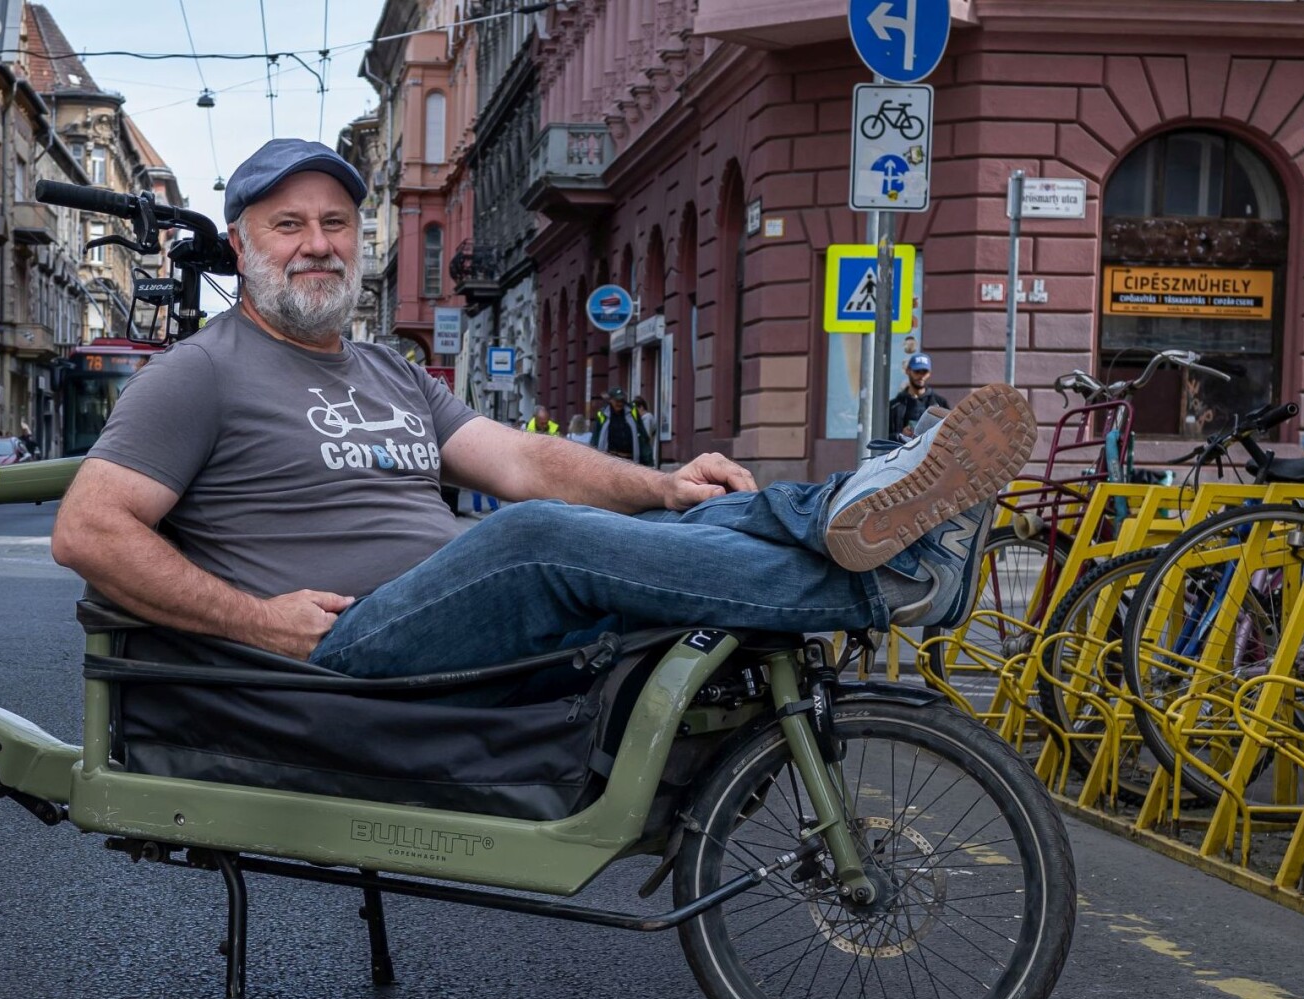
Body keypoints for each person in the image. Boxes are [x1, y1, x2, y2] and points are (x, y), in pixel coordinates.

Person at [51, 138, 1039, 679]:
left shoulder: (389, 371)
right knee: (527, 537)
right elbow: (88, 531)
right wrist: (256, 621)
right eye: (287, 225)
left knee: (686, 505)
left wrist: (662, 483)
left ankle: (852, 518)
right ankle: (888, 581)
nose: (316, 243)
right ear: (241, 243)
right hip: (352, 643)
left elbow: (523, 460)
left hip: (459, 613)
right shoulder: (201, 371)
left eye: (335, 224)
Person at [887, 353, 950, 439]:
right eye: (917, 371)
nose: (921, 376)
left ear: (930, 373)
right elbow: (883, 436)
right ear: (908, 371)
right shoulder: (894, 405)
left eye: (924, 372)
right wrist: (901, 435)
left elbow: (949, 434)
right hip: (902, 450)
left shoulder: (940, 403)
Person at [592, 388, 653, 465]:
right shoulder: (602, 414)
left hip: (630, 460)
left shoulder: (632, 411)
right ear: (610, 400)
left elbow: (642, 435)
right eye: (617, 401)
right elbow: (596, 437)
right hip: (610, 460)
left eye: (622, 400)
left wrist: (648, 461)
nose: (620, 403)